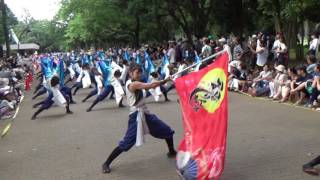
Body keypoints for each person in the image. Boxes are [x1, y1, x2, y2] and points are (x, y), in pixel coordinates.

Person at [101, 64, 176, 174]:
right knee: (126, 143)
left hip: (145, 114)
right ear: (130, 73)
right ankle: (106, 163)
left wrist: (165, 80)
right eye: (137, 72)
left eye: (140, 72)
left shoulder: (135, 82)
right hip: (136, 116)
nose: (139, 75)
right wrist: (165, 80)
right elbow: (153, 85)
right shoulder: (132, 84)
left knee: (167, 131)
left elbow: (152, 85)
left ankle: (171, 151)